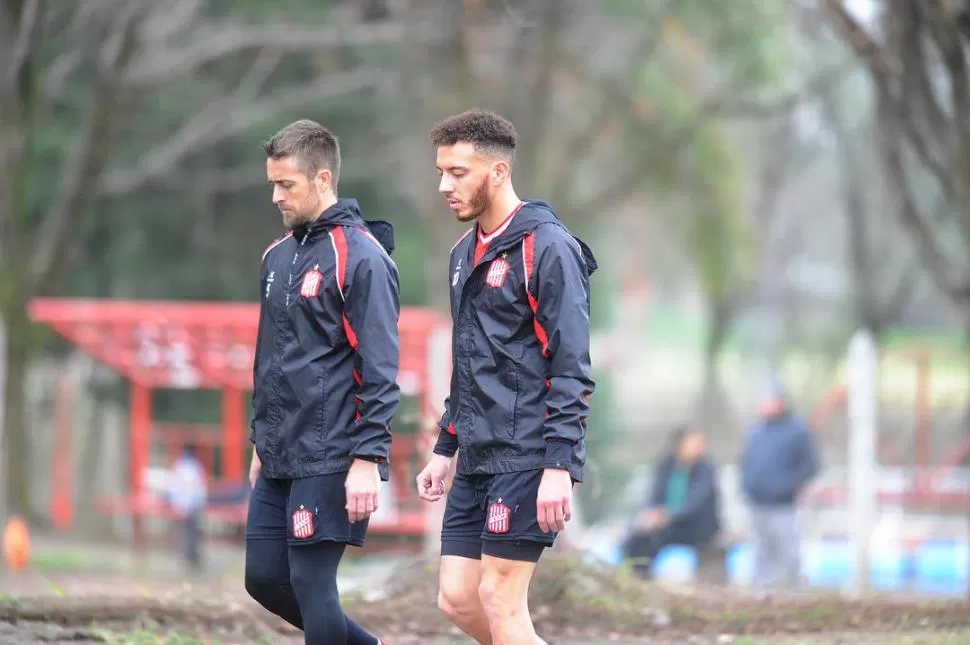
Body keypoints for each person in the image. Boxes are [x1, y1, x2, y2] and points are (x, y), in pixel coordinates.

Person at [415, 108, 597, 645]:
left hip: (528, 451)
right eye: (442, 172)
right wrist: (445, 447)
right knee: (457, 597)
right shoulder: (460, 254)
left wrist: (558, 466)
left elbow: (571, 367)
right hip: (476, 454)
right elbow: (468, 363)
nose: (445, 186)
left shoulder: (548, 246)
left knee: (500, 597)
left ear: (497, 172)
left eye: (458, 173)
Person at [245, 119, 399, 645]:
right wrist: (258, 441)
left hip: (333, 452)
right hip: (277, 453)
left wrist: (367, 459)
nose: (275, 196)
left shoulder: (361, 257)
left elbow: (379, 368)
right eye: (272, 183)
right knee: (264, 578)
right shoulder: (275, 255)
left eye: (286, 184)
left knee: (312, 582)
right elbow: (268, 359)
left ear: (323, 178)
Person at [740, 378, 819, 590]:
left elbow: (810, 466)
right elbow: (747, 461)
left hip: (783, 504)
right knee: (761, 552)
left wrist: (787, 486)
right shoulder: (756, 431)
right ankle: (762, 594)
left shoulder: (797, 431)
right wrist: (747, 486)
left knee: (789, 551)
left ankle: (795, 592)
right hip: (757, 502)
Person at [621, 426, 720, 578]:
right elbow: (654, 493)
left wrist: (668, 516)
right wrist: (651, 512)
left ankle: (642, 578)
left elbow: (696, 503)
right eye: (693, 442)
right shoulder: (666, 465)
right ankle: (632, 577)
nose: (698, 447)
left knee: (654, 538)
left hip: (693, 525)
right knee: (637, 537)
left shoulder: (706, 469)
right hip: (665, 521)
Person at [168, 443, 207, 571]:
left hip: (185, 506)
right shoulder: (195, 467)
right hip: (192, 506)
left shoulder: (179, 467)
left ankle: (190, 557)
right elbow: (200, 490)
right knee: (192, 534)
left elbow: (173, 488)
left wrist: (178, 505)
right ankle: (191, 558)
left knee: (189, 534)